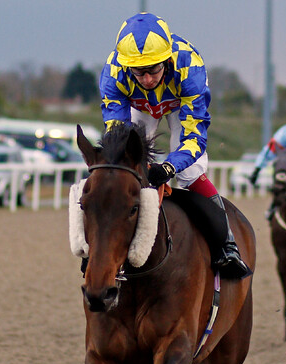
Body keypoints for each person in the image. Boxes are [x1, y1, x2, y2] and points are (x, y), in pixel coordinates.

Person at [98, 12, 251, 279]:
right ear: (126, 66)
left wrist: (168, 167)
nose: (146, 80)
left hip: (180, 105)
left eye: (153, 70)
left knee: (188, 173)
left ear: (167, 60)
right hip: (139, 107)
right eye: (138, 72)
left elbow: (195, 138)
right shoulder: (113, 73)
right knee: (125, 168)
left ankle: (226, 245)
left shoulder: (190, 67)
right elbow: (117, 133)